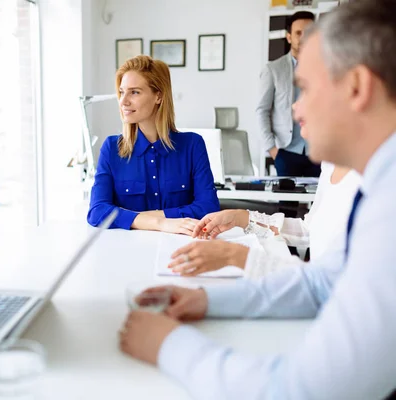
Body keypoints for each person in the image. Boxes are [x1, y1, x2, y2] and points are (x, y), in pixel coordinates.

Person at [120, 1, 396, 398]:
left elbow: (301, 390)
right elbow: (323, 283)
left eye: (305, 89)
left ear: (357, 87)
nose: (296, 109)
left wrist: (168, 345)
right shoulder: (377, 181)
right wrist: (204, 299)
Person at [87, 55, 220, 234]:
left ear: (158, 96)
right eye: (122, 92)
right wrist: (159, 223)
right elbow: (97, 212)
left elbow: (208, 208)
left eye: (134, 92)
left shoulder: (192, 145)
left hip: (180, 251)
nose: (123, 101)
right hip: (126, 252)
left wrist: (137, 217)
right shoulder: (112, 148)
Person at [168, 162, 360, 279]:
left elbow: (333, 282)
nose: (295, 107)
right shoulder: (330, 165)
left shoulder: (381, 180)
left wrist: (234, 256)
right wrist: (241, 217)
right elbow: (308, 231)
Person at [257, 11, 321, 177]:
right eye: (298, 33)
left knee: (317, 202)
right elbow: (262, 111)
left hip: (318, 150)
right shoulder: (273, 69)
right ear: (289, 37)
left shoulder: (325, 68)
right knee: (286, 203)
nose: (303, 37)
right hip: (286, 151)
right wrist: (272, 149)